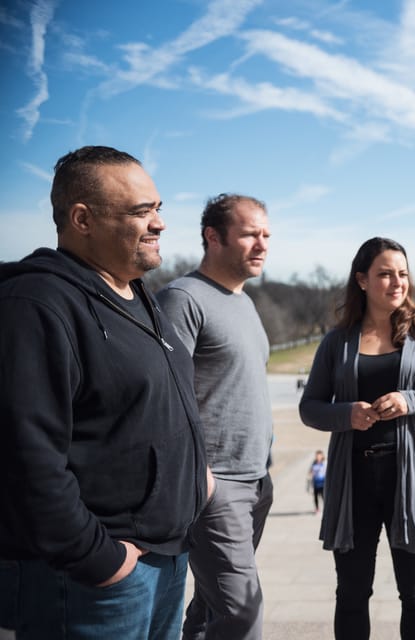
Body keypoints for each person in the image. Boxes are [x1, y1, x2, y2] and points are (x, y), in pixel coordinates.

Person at [0, 145, 211, 639]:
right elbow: (25, 459)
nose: (158, 222)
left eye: (158, 208)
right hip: (94, 580)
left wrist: (196, 480)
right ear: (82, 219)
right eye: (141, 211)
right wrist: (99, 559)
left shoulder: (135, 292)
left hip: (165, 556)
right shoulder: (36, 305)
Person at [299, 237, 415, 640]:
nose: (397, 283)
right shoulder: (337, 342)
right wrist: (347, 414)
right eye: (385, 274)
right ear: (362, 280)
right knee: (353, 592)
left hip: (410, 477)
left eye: (403, 274)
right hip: (353, 478)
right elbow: (310, 407)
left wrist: (412, 400)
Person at [156, 194, 274, 640]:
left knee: (210, 608)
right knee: (243, 614)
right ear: (213, 236)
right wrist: (201, 476)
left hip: (257, 480)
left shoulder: (244, 301)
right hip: (216, 485)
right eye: (249, 234)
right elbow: (165, 397)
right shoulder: (182, 299)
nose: (261, 244)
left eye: (265, 235)